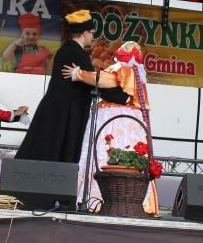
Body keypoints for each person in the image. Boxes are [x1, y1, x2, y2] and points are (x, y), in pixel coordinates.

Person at [63, 41, 159, 216]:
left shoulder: (124, 69)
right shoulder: (138, 73)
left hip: (115, 117)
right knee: (129, 154)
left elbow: (104, 80)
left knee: (104, 152)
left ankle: (96, 199)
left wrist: (78, 74)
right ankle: (133, 202)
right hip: (132, 120)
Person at [16, 9, 96, 163]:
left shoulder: (65, 50)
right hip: (66, 113)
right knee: (54, 154)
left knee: (45, 149)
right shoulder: (77, 53)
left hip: (57, 110)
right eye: (92, 33)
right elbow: (93, 80)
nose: (93, 37)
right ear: (85, 33)